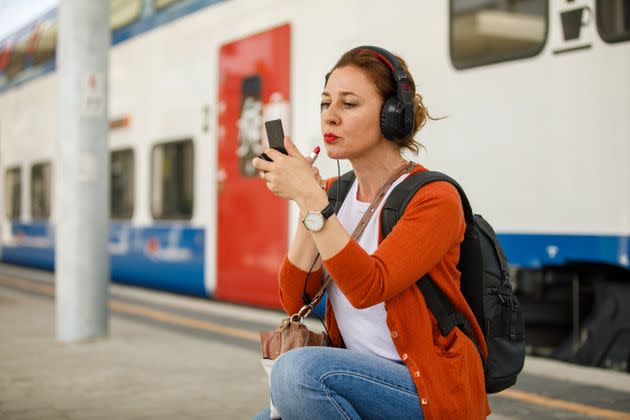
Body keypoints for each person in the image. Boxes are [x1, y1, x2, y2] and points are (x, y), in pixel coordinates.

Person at [251, 46, 490, 420]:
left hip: (426, 388)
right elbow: (294, 295)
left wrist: (312, 201)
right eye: (325, 102)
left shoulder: (434, 198)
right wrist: (307, 202)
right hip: (357, 377)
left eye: (348, 104)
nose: (329, 117)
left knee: (296, 374)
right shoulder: (334, 193)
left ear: (393, 115)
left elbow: (367, 287)